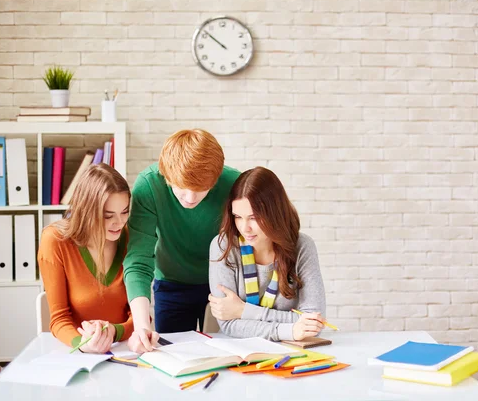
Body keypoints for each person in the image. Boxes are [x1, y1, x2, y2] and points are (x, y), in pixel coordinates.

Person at [124, 129, 239, 352]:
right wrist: (141, 326)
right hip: (171, 286)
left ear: (215, 180)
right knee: (173, 355)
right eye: (181, 188)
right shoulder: (149, 186)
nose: (190, 197)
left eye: (201, 189)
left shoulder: (235, 184)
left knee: (227, 357)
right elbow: (139, 260)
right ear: (166, 176)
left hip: (224, 286)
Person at [208, 167, 326, 341]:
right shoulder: (224, 246)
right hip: (239, 351)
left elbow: (313, 323)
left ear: (274, 213)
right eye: (238, 217)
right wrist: (289, 330)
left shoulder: (302, 247)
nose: (244, 228)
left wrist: (243, 311)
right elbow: (228, 324)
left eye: (254, 217)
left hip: (289, 352)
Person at [38, 164, 133, 353]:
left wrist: (114, 331)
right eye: (108, 216)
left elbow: (139, 316)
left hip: (123, 351)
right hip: (76, 353)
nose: (119, 223)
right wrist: (84, 345)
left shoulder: (129, 237)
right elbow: (58, 319)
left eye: (124, 212)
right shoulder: (55, 241)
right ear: (87, 212)